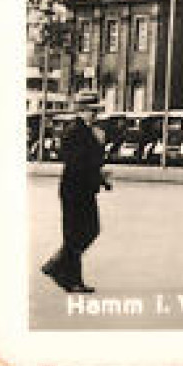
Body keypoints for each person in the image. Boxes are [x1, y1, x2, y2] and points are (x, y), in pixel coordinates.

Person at [41, 91, 111, 294]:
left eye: (96, 111)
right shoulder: (75, 130)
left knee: (88, 231)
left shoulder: (88, 130)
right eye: (92, 111)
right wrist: (98, 170)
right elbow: (77, 163)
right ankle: (69, 278)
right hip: (74, 191)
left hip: (83, 189)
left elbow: (89, 162)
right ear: (81, 111)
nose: (95, 115)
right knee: (77, 234)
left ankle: (57, 267)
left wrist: (100, 174)